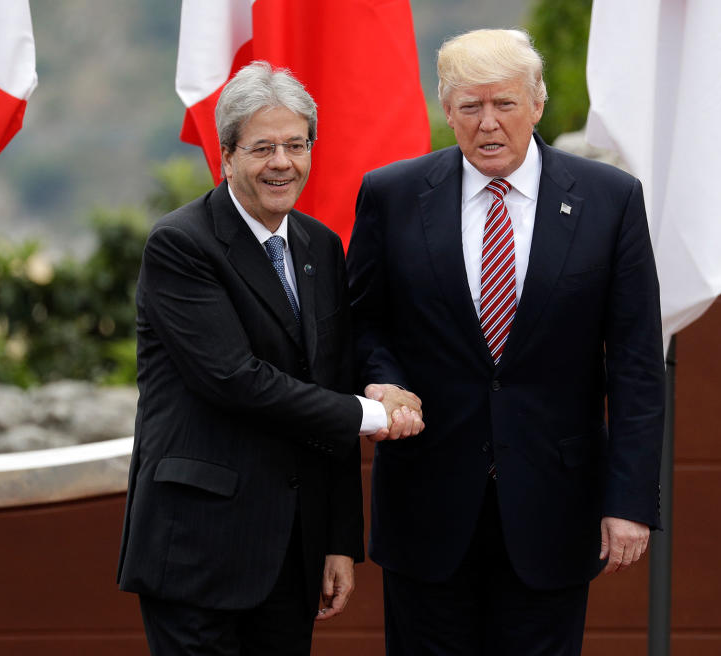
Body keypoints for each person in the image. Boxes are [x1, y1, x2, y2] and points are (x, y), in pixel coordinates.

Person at [347, 29, 665, 655]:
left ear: (538, 104)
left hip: (555, 507)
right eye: (470, 106)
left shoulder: (609, 200)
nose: (487, 124)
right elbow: (360, 321)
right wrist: (382, 377)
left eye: (505, 104)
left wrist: (629, 500)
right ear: (448, 111)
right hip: (427, 504)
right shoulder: (392, 195)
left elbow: (635, 364)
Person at [117, 60, 423, 656]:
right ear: (227, 156)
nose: (281, 163)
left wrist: (338, 540)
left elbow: (329, 374)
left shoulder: (320, 245)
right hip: (198, 550)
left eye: (295, 145)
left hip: (291, 554)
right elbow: (235, 379)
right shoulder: (182, 245)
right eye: (262, 148)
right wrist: (371, 414)